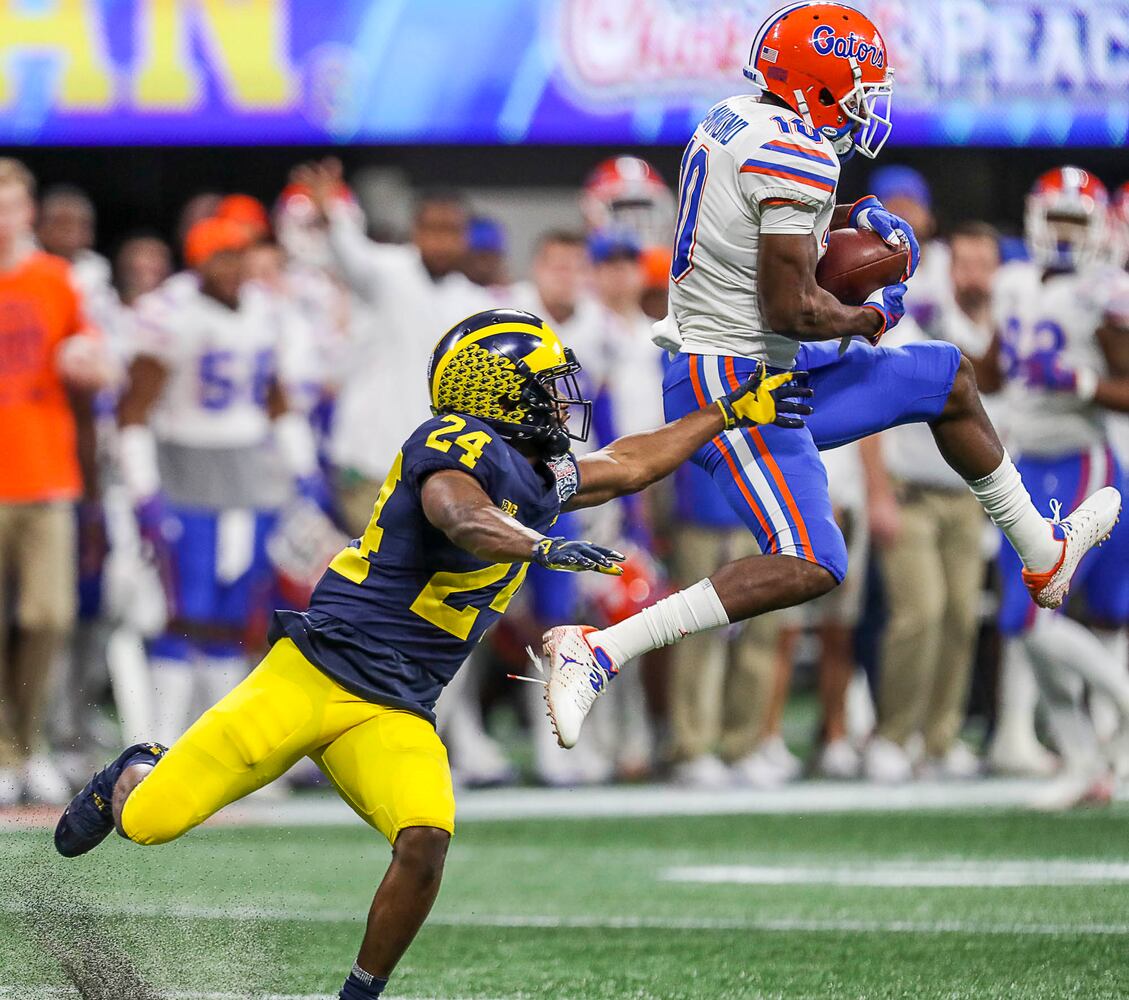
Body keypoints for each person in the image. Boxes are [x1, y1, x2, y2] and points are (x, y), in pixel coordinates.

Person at [54, 308, 812, 1000]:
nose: (560, 401)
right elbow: (465, 516)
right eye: (544, 387)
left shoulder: (537, 469)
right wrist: (541, 545)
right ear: (495, 391)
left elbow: (631, 462)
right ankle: (136, 767)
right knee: (150, 823)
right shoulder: (452, 444)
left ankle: (359, 996)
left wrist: (726, 412)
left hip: (395, 706)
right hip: (315, 674)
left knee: (424, 841)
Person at [537, 1, 1121, 751]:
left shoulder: (734, 115)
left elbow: (757, 217)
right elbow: (793, 308)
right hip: (740, 384)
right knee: (812, 561)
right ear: (819, 82)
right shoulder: (797, 156)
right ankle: (600, 649)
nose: (866, 103)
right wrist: (870, 316)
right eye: (858, 85)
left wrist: (849, 212)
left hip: (761, 363)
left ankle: (1041, 551)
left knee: (946, 377)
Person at [116, 216, 323, 745]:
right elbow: (134, 410)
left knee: (235, 613)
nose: (232, 269)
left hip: (249, 471)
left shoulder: (265, 310)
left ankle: (221, 744)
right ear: (198, 259)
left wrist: (302, 469)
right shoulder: (170, 313)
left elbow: (276, 400)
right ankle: (159, 741)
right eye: (220, 257)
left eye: (239, 255)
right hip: (185, 468)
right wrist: (144, 491)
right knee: (184, 610)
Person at [980, 167, 1129, 808]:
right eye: (1057, 219)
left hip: (1080, 462)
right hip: (1026, 467)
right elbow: (989, 369)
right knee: (1027, 624)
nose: (1065, 235)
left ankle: (1117, 706)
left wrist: (1081, 383)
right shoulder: (1012, 283)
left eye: (1078, 221)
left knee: (1034, 617)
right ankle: (1084, 760)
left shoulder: (1104, 292)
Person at [861, 207, 1002, 783]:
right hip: (911, 489)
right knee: (919, 613)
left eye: (983, 263)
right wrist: (878, 494)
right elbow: (872, 407)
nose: (973, 272)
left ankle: (940, 737)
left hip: (966, 492)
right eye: (963, 260)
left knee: (961, 617)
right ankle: (894, 735)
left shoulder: (1003, 321)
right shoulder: (916, 316)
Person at [290, 159, 494, 537]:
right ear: (415, 231)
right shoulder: (388, 272)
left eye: (452, 231)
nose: (442, 241)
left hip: (439, 470)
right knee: (381, 579)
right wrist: (331, 211)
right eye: (433, 229)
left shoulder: (476, 303)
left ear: (466, 236)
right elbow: (350, 253)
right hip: (370, 461)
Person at [0, 158, 109, 804]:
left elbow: (90, 357)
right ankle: (9, 751)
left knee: (50, 615)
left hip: (46, 472)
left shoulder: (56, 279)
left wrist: (90, 361)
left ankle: (29, 741)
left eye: (11, 205)